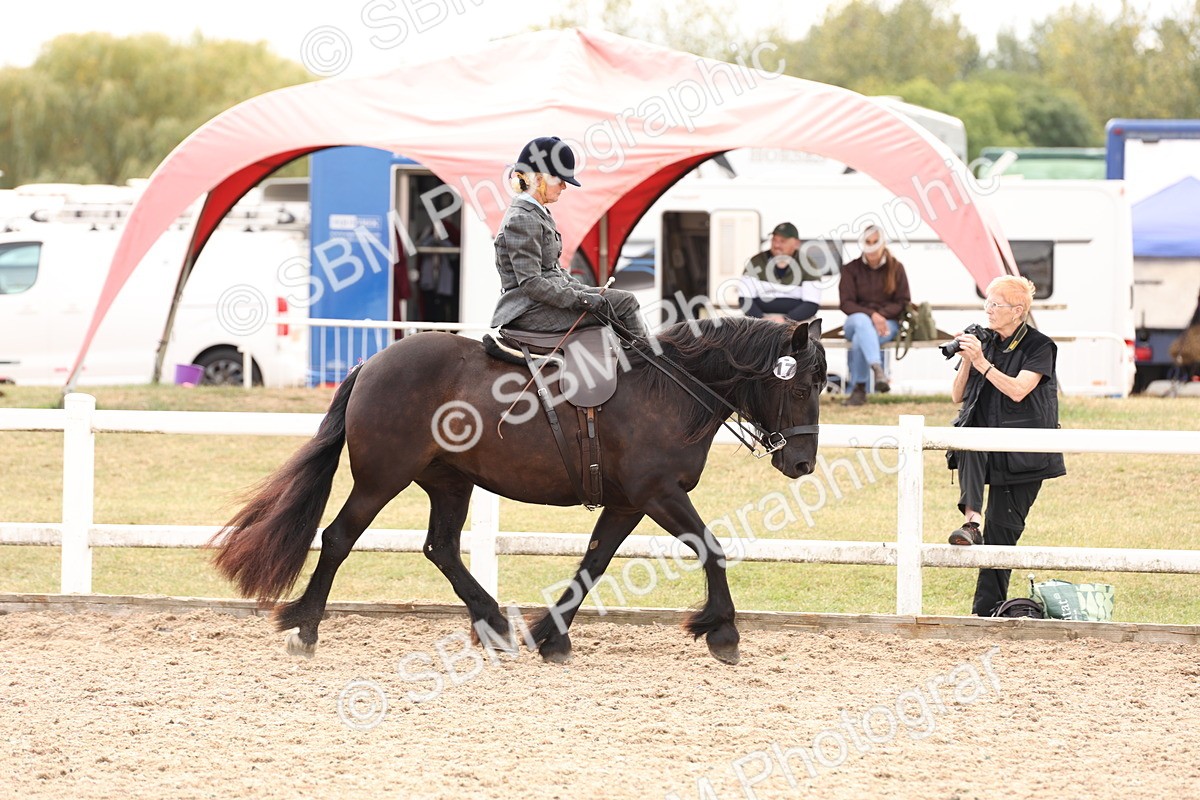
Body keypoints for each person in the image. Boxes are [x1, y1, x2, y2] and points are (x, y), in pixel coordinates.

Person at [947, 275, 1066, 617]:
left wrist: (983, 363)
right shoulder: (987, 343)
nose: (988, 310)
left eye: (995, 304)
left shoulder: (1040, 346)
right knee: (967, 440)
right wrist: (969, 357)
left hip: (1024, 455)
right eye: (987, 302)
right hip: (987, 449)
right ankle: (971, 522)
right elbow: (957, 395)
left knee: (1002, 535)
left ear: (1017, 311)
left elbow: (1017, 390)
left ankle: (984, 613)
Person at [490, 136, 646, 340]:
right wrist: (581, 299)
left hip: (540, 304)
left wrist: (586, 291)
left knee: (614, 300)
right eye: (560, 179)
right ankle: (645, 367)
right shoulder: (522, 218)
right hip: (529, 310)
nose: (564, 186)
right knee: (626, 303)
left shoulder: (538, 213)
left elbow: (553, 271)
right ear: (538, 180)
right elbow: (531, 283)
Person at [837, 225, 911, 406]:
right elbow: (846, 303)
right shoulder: (851, 268)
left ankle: (859, 389)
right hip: (855, 320)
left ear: (882, 242)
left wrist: (881, 316)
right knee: (862, 322)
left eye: (874, 242)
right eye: (867, 242)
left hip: (887, 323)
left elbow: (903, 301)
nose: (870, 246)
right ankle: (878, 369)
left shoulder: (896, 268)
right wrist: (872, 315)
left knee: (858, 340)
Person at [739, 222, 822, 322]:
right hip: (760, 320)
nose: (777, 245)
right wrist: (762, 320)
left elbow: (811, 304)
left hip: (797, 320)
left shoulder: (808, 264)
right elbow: (745, 298)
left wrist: (786, 320)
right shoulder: (756, 262)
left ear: (796, 243)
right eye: (774, 240)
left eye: (783, 241)